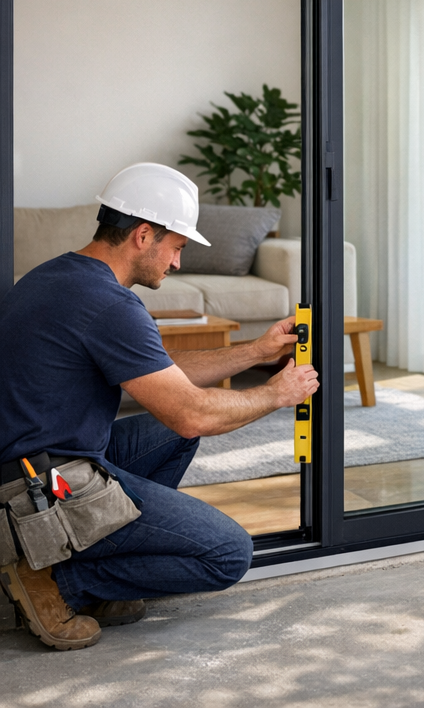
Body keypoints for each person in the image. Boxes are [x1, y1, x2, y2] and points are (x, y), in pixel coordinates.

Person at [0, 163, 318, 650]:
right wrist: (278, 393)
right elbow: (193, 412)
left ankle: (89, 555)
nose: (177, 263)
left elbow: (160, 371)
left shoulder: (61, 275)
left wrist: (255, 352)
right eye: (178, 247)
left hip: (42, 463)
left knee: (173, 436)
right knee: (227, 554)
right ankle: (54, 583)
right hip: (42, 489)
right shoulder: (108, 305)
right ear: (143, 235)